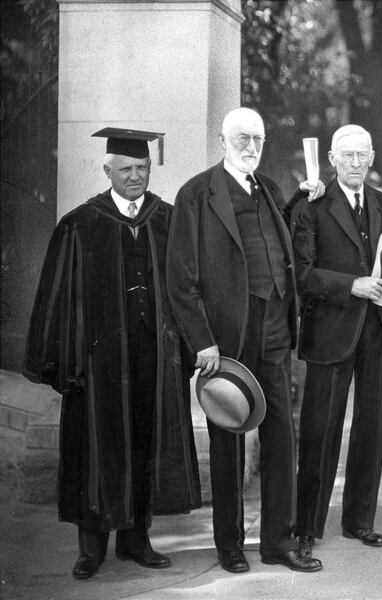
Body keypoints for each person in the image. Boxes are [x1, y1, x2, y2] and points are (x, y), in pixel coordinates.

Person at [23, 128, 201, 580]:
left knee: (144, 443)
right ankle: (91, 549)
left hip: (154, 356)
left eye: (142, 168)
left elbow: (188, 286)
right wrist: (68, 360)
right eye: (126, 169)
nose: (136, 176)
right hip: (99, 363)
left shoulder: (168, 219)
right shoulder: (81, 224)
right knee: (95, 452)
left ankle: (136, 541)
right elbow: (59, 296)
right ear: (107, 171)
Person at [166, 107, 322, 573]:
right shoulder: (196, 193)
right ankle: (229, 545)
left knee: (279, 434)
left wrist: (300, 198)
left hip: (274, 324)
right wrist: (202, 341)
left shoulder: (269, 188)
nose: (251, 147)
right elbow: (180, 276)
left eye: (257, 138)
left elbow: (277, 242)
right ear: (222, 141)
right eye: (241, 139)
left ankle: (278, 541)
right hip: (227, 335)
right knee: (228, 437)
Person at [290, 125, 382, 559]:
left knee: (372, 429)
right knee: (319, 432)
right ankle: (305, 528)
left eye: (363, 155)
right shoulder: (313, 206)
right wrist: (352, 285)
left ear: (373, 157)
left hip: (378, 334)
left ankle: (359, 521)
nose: (356, 163)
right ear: (332, 158)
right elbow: (302, 275)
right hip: (330, 333)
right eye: (348, 156)